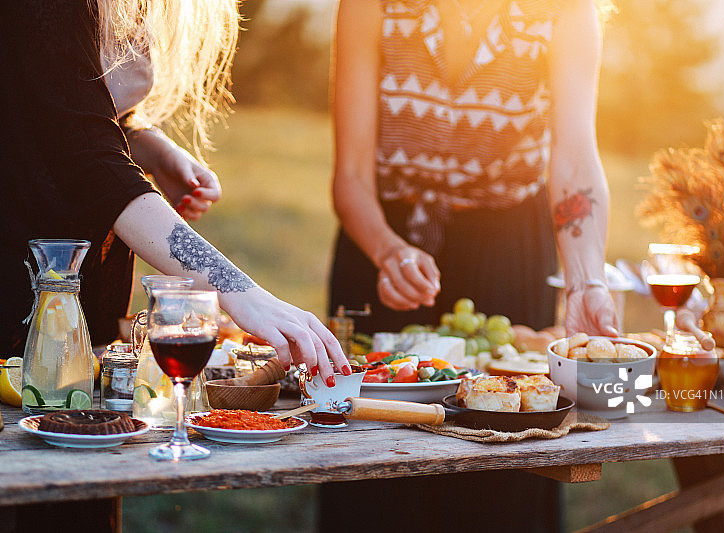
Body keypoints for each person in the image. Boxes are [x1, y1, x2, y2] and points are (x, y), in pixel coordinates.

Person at [323, 0, 616, 531]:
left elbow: (574, 155)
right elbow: (350, 174)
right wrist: (388, 250)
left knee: (503, 462)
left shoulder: (567, 12)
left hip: (507, 246)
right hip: (381, 239)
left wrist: (585, 281)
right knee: (371, 463)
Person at [0, 0, 349, 385]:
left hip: (79, 334)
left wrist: (147, 146)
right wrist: (240, 293)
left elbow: (60, 108)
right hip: (18, 324)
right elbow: (83, 158)